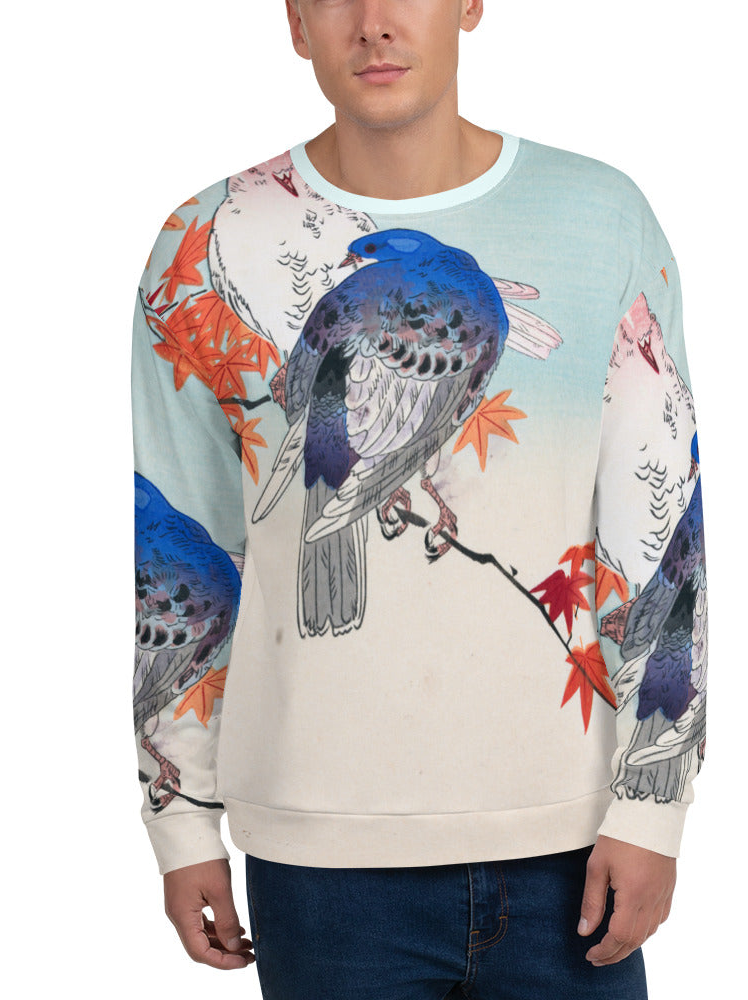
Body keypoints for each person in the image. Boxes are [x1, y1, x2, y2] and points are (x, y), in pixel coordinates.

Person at [131, 1, 707, 996]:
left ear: (469, 4)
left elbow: (662, 534)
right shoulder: (208, 235)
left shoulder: (600, 216)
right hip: (319, 849)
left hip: (566, 839)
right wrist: (180, 819)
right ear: (296, 21)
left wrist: (653, 802)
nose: (374, 22)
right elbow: (175, 543)